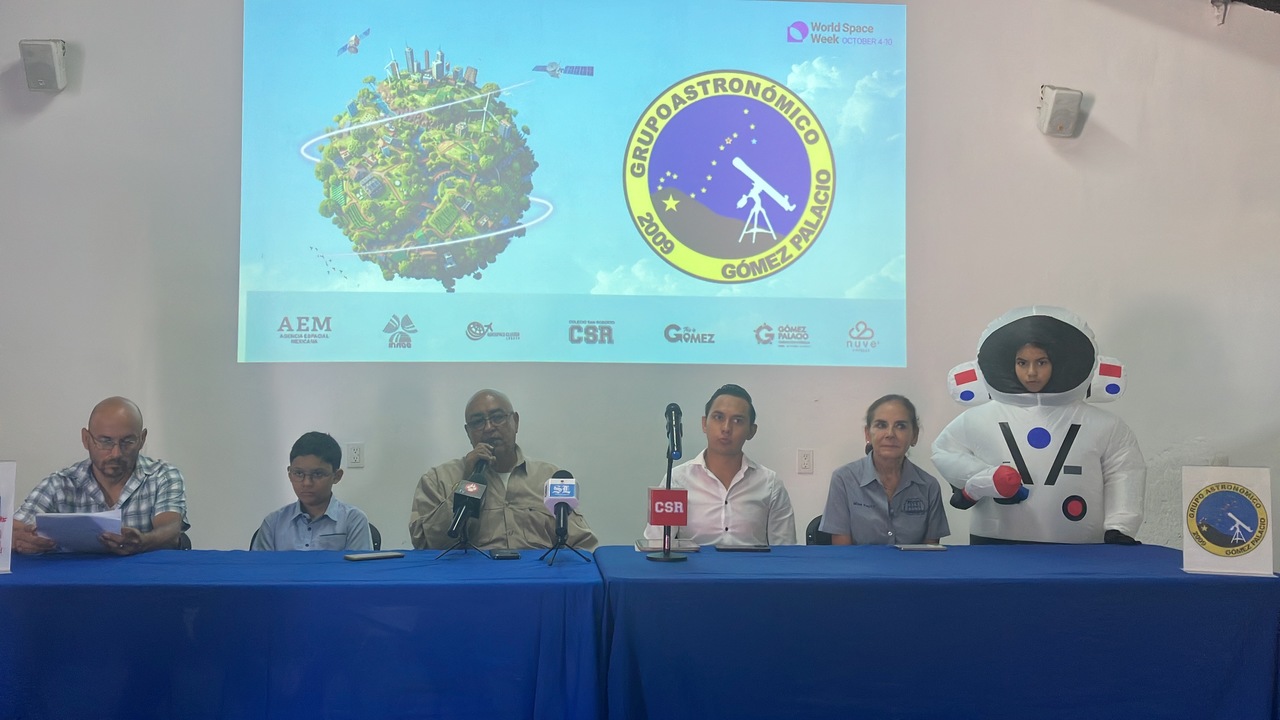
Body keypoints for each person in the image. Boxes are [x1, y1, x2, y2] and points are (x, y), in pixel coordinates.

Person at [931, 306, 1146, 544]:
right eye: (1022, 363)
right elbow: (945, 451)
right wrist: (984, 477)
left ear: (1058, 362)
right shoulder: (978, 419)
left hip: (1080, 548)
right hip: (996, 545)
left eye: (1041, 362)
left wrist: (1119, 527)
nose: (1031, 372)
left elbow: (1124, 472)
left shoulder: (1105, 425)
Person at [409, 389, 598, 551]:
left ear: (515, 422)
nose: (489, 428)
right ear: (468, 432)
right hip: (471, 579)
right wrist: (466, 483)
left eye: (498, 417)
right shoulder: (438, 479)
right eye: (478, 422)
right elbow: (426, 547)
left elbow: (582, 544)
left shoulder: (550, 477)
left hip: (538, 578)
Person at [12, 396, 189, 555]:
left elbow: (170, 530)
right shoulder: (60, 484)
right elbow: (11, 530)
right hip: (76, 579)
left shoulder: (161, 476)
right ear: (86, 439)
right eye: (105, 441)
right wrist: (21, 539)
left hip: (144, 577)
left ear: (142, 439)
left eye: (128, 442)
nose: (116, 453)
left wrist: (143, 542)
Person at [643, 384, 796, 546]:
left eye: (737, 421)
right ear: (704, 424)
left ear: (751, 431)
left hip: (751, 563)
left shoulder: (770, 484)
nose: (726, 428)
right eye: (718, 417)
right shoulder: (677, 481)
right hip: (695, 563)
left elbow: (785, 551)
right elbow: (656, 544)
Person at [820, 395, 950, 545]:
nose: (890, 434)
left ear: (914, 435)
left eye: (900, 426)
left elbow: (930, 552)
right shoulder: (844, 480)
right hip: (858, 562)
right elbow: (842, 553)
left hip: (912, 562)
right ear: (868, 434)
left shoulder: (929, 486)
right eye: (881, 425)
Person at [251, 431, 372, 551]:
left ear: (336, 476)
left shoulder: (353, 521)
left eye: (318, 474)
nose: (307, 483)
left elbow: (360, 563)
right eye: (298, 473)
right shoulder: (273, 523)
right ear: (289, 474)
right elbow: (260, 563)